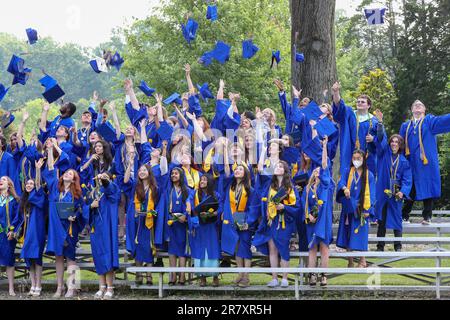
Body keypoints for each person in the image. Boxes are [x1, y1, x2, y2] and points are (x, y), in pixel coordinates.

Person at [44, 147, 87, 298]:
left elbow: (83, 209)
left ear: (74, 179)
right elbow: (50, 169)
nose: (67, 174)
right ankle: (59, 287)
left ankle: (72, 287)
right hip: (56, 228)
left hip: (70, 228)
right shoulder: (56, 189)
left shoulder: (77, 194)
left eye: (71, 173)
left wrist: (75, 216)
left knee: (70, 257)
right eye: (66, 173)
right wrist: (50, 150)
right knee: (58, 257)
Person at [399, 100, 450, 224]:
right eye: (415, 105)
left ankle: (427, 217)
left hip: (425, 162)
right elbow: (399, 144)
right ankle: (404, 215)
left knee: (428, 186)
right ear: (412, 110)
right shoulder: (405, 126)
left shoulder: (429, 121)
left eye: (420, 104)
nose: (417, 105)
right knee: (409, 187)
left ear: (424, 109)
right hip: (410, 162)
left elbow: (444, 120)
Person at [253, 161, 299, 287]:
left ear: (285, 170)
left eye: (280, 166)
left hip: (285, 222)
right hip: (271, 221)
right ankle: (274, 278)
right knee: (272, 248)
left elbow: (296, 206)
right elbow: (263, 200)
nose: (277, 168)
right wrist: (267, 210)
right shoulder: (269, 185)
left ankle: (284, 278)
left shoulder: (290, 187)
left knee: (283, 248)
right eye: (276, 166)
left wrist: (284, 207)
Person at [374, 110, 412, 251]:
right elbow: (380, 139)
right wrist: (380, 123)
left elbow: (408, 180)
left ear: (400, 144)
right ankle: (380, 246)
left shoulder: (404, 161)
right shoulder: (384, 154)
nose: (394, 144)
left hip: (396, 193)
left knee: (396, 218)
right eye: (392, 142)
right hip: (383, 190)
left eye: (397, 142)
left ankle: (398, 246)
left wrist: (403, 192)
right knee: (382, 219)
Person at [301, 134, 333, 287]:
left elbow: (325, 163)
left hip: (323, 220)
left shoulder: (325, 185)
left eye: (319, 170)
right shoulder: (307, 189)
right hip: (311, 221)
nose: (317, 171)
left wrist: (325, 146)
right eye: (315, 170)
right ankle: (312, 274)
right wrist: (308, 215)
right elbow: (303, 204)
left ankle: (324, 275)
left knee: (324, 248)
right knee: (312, 248)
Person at [336, 149, 376, 268]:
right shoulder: (348, 171)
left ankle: (363, 260)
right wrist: (344, 189)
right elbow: (340, 182)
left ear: (363, 160)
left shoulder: (369, 175)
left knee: (362, 234)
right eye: (354, 158)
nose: (356, 161)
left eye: (359, 158)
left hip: (362, 208)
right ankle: (350, 260)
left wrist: (368, 210)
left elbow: (372, 194)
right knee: (348, 233)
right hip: (349, 207)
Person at [221, 164, 258, 287]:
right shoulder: (230, 188)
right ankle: (240, 273)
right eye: (236, 169)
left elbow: (253, 208)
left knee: (245, 247)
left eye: (241, 169)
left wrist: (248, 221)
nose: (237, 170)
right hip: (232, 220)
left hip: (245, 221)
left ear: (246, 173)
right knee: (237, 247)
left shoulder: (250, 190)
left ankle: (246, 276)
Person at [331, 82, 378, 175]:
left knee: (366, 179)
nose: (359, 103)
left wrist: (373, 139)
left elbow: (381, 139)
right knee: (349, 178)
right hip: (350, 152)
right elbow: (339, 106)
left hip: (368, 156)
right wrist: (336, 92)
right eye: (358, 101)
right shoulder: (349, 114)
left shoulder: (374, 121)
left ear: (368, 105)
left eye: (362, 102)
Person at [88, 172, 121, 299]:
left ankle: (110, 287)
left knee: (108, 255)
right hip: (96, 228)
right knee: (98, 255)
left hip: (107, 227)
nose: (100, 178)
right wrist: (91, 206)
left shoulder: (112, 189)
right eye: (99, 176)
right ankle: (101, 287)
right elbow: (85, 207)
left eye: (104, 176)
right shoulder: (93, 191)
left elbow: (110, 188)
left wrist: (105, 180)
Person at [19, 158, 47, 297]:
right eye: (27, 183)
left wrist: (37, 170)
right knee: (28, 259)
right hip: (26, 233)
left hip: (37, 232)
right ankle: (33, 284)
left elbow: (38, 186)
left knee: (37, 258)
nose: (30, 185)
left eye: (31, 183)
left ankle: (39, 285)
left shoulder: (39, 196)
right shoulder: (23, 201)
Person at [190, 174, 221, 287]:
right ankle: (202, 277)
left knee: (212, 251)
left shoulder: (216, 195)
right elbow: (190, 208)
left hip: (211, 226)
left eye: (204, 180)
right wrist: (194, 222)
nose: (202, 181)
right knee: (200, 251)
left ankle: (215, 276)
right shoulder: (194, 194)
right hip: (199, 226)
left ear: (210, 182)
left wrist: (215, 213)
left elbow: (220, 207)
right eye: (201, 180)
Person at [166, 167, 192, 285]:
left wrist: (186, 216)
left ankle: (182, 276)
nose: (173, 175)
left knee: (182, 251)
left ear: (181, 176)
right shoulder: (168, 190)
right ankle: (172, 276)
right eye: (172, 173)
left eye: (176, 173)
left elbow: (190, 206)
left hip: (182, 225)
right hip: (172, 224)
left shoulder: (187, 190)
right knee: (172, 251)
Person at [0, 176, 21, 296]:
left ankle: (11, 288)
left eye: (4, 179)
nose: (1, 180)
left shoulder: (14, 201)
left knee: (9, 261)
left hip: (8, 235)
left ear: (9, 185)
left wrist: (13, 231)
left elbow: (18, 218)